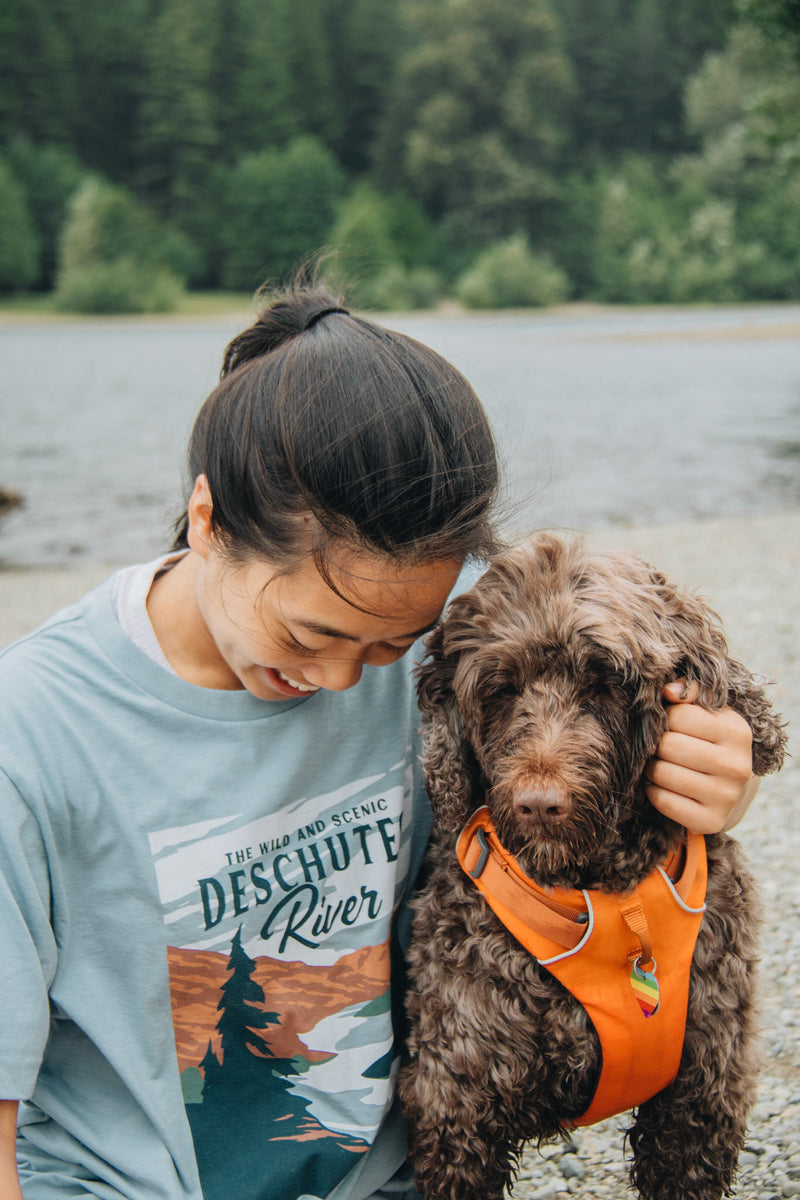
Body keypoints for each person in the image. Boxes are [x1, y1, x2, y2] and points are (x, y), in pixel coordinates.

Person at [0, 283, 756, 1200]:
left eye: (391, 644)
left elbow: (619, 688)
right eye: (310, 635)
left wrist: (712, 771)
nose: (344, 681)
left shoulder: (468, 631)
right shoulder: (33, 731)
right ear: (208, 520)